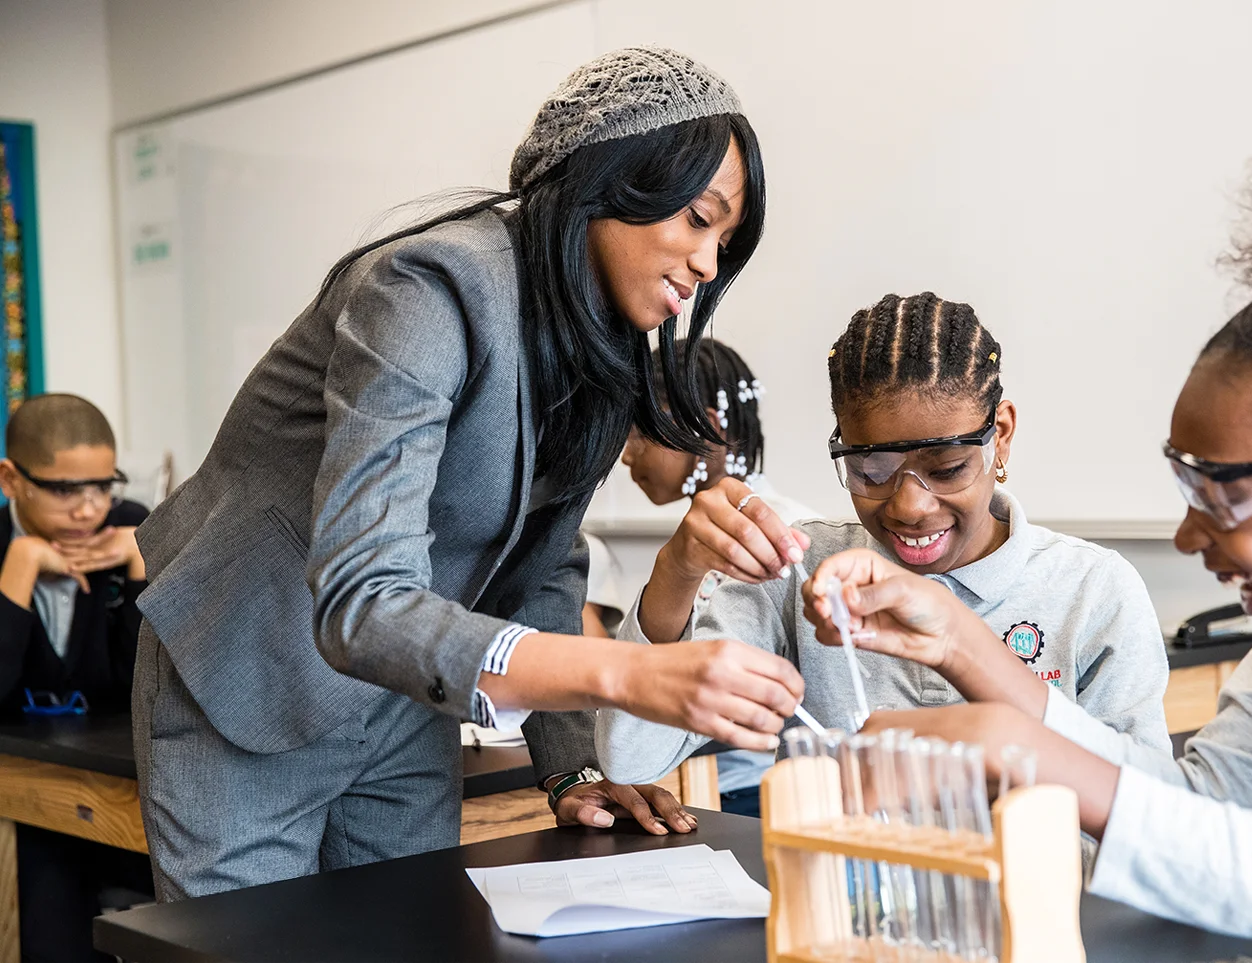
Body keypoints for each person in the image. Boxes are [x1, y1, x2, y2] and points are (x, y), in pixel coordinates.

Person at [807, 144, 1252, 961]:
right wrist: (960, 642)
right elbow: (1199, 802)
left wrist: (1019, 750)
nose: (1188, 537)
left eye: (1219, 494)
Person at [130, 46, 805, 901]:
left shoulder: (601, 343)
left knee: (412, 935)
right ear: (607, 182)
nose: (709, 263)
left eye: (726, 239)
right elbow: (361, 597)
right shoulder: (428, 287)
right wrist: (630, 673)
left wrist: (570, 768)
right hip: (253, 674)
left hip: (408, 695)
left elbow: (540, 565)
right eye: (698, 219)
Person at [597, 293, 1171, 801]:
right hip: (846, 914)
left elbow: (1156, 810)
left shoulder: (1091, 589)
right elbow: (631, 758)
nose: (910, 506)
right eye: (871, 469)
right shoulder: (799, 576)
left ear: (1002, 435)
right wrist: (677, 570)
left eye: (946, 469)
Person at [615, 337, 818, 816]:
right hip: (686, 777)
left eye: (640, 435)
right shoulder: (688, 547)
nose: (627, 456)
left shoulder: (786, 540)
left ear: (705, 428)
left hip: (753, 795)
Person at [0, 393, 154, 962]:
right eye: (65, 490)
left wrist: (140, 567)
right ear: (11, 479)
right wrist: (17, 571)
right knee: (50, 926)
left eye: (102, 486)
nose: (89, 509)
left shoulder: (132, 525)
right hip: (23, 781)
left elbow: (148, 685)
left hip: (114, 779)